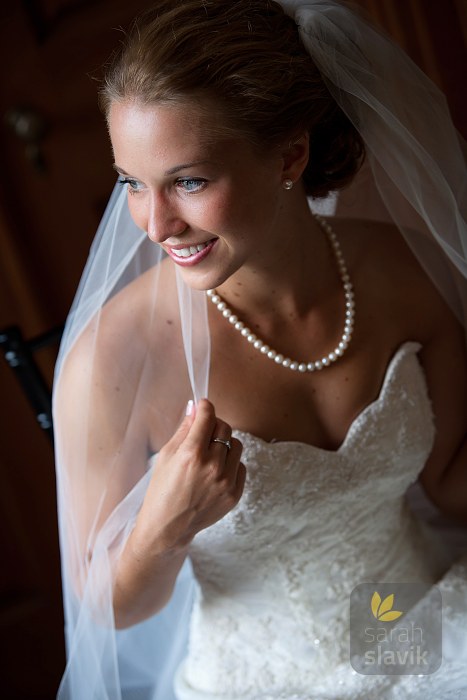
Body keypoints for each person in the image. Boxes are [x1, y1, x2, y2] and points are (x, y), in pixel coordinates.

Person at [53, 1, 467, 698]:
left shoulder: (407, 273)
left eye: (188, 181)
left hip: (408, 627)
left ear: (289, 155)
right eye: (131, 183)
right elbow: (107, 610)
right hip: (261, 679)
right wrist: (164, 523)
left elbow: (449, 482)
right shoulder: (110, 362)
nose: (155, 225)